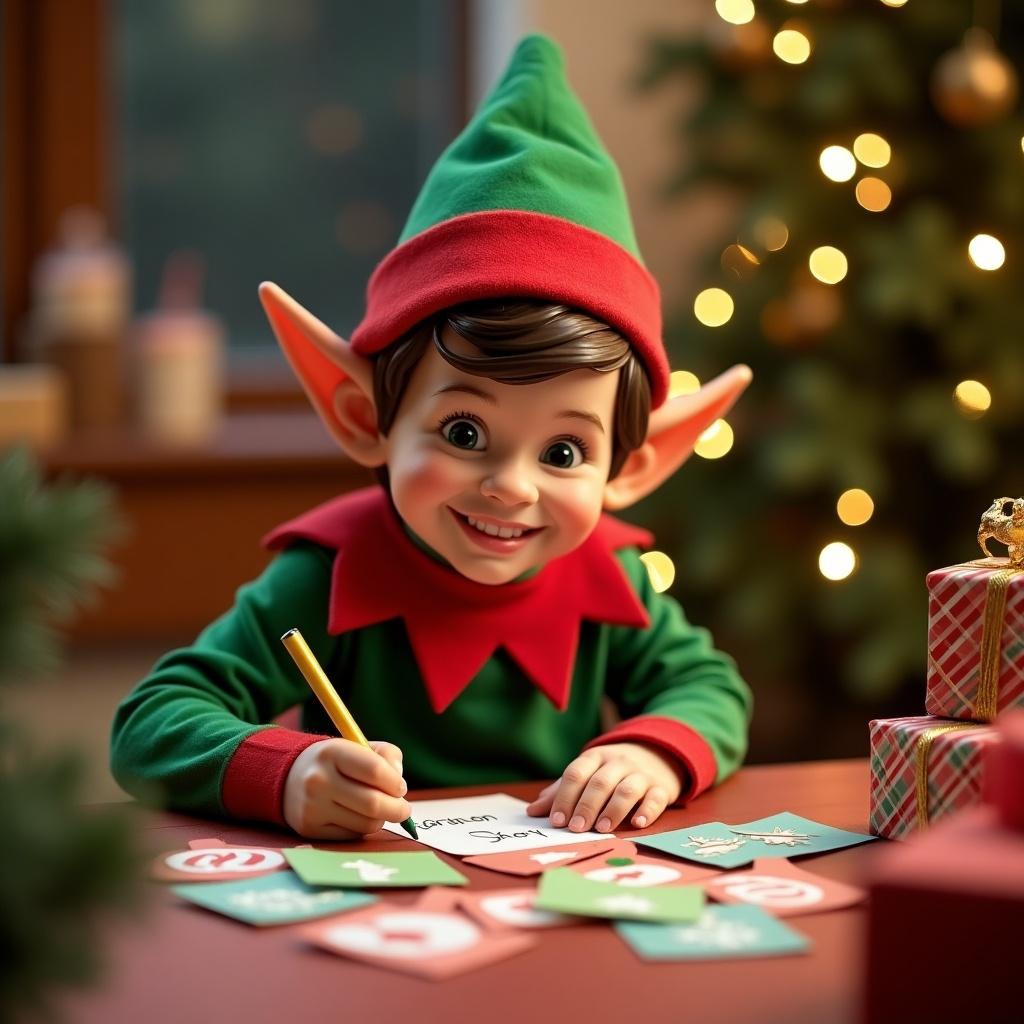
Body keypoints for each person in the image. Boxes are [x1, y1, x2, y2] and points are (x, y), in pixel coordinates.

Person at [110, 34, 753, 841]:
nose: (512, 487)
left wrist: (653, 754)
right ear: (365, 416)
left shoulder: (613, 576)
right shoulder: (326, 576)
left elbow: (714, 691)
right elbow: (149, 723)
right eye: (463, 430)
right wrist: (288, 775)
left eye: (563, 453)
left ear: (633, 466)